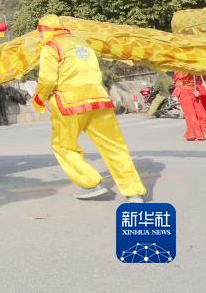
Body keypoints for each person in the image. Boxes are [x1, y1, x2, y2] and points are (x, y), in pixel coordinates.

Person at [31, 15, 146, 202]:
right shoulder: (83, 45)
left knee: (63, 146)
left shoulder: (51, 47)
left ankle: (92, 183)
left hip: (69, 103)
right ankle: (134, 192)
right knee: (114, 147)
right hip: (99, 100)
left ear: (44, 30)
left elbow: (48, 80)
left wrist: (38, 98)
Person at [172, 72, 206, 141]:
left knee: (201, 112)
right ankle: (197, 134)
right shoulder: (180, 64)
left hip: (195, 88)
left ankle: (203, 132)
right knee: (190, 114)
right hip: (183, 89)